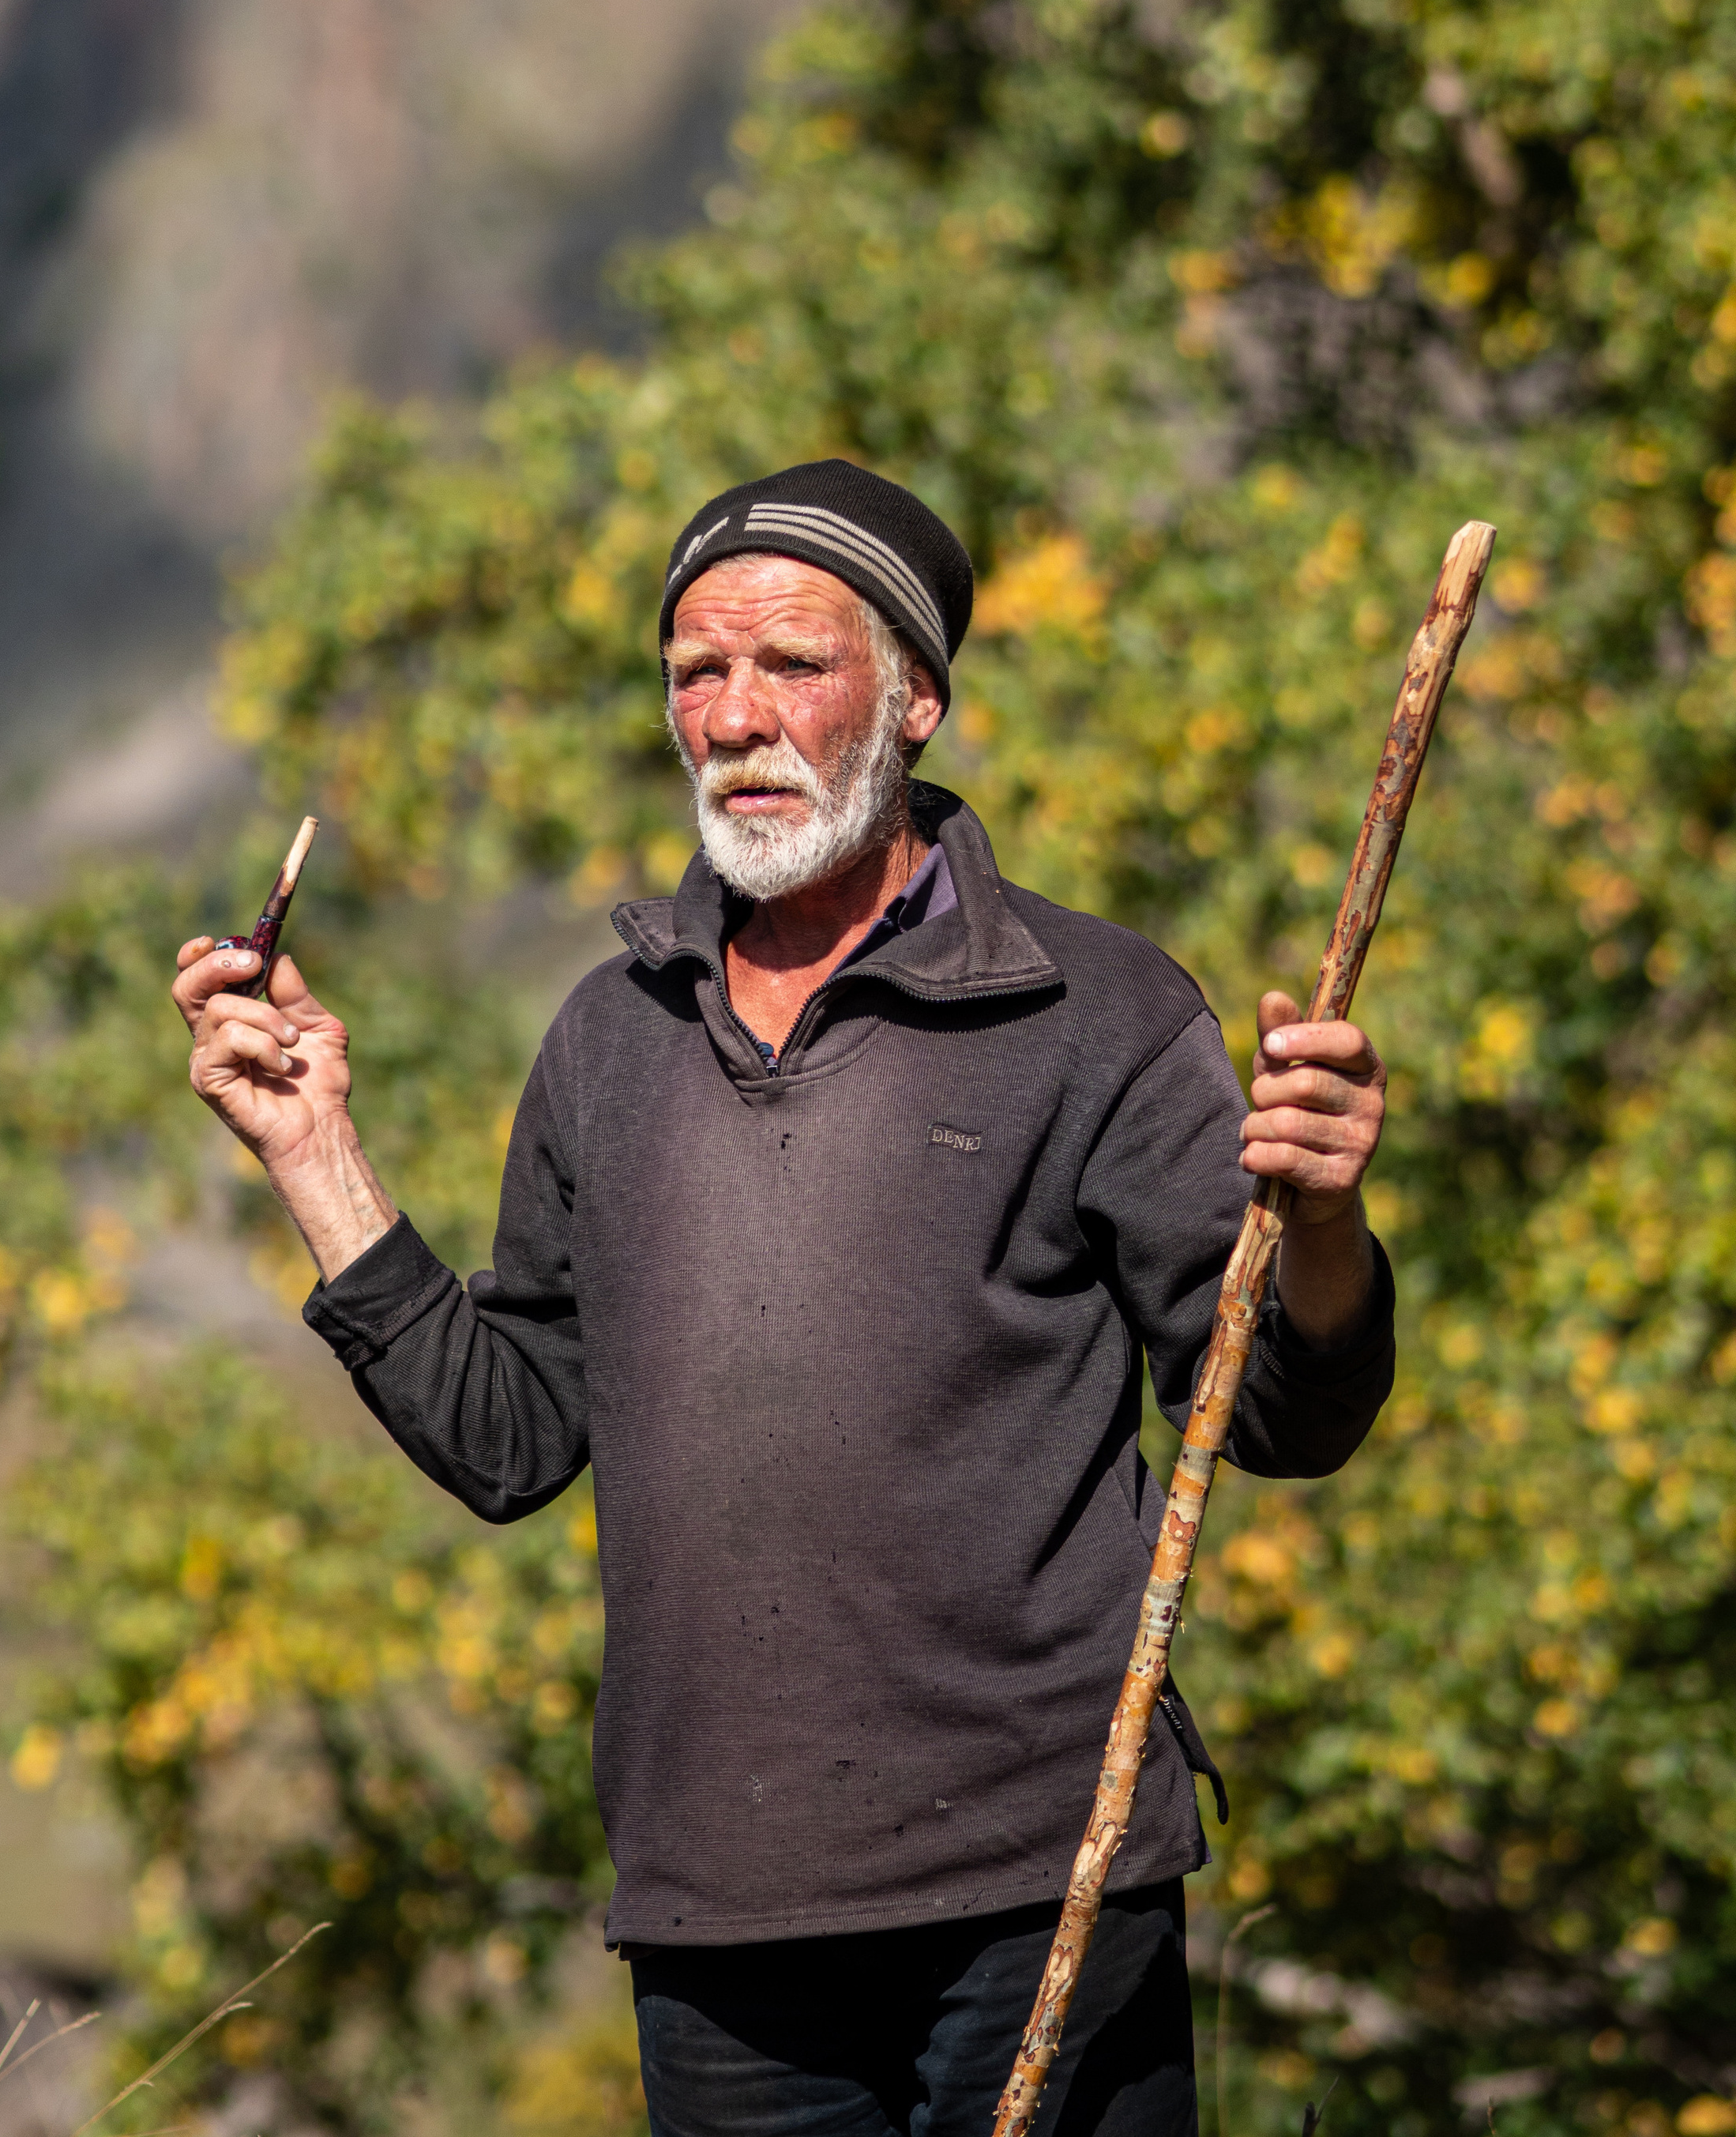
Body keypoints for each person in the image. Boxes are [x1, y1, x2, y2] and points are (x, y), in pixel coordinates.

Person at [172, 459, 1393, 2137]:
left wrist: (1320, 1224)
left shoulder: (1094, 1012)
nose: (735, 716)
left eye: (792, 664)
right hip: (716, 1911)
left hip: (1045, 1878)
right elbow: (509, 1442)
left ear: (916, 701)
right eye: (696, 672)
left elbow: (1277, 1418)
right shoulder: (609, 1039)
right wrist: (315, 1156)